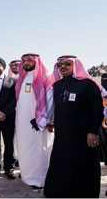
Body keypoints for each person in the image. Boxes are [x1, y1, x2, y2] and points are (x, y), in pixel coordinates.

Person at [44, 56, 103, 198]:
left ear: (75, 65)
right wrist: (51, 122)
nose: (63, 67)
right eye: (60, 65)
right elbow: (59, 108)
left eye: (67, 64)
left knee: (84, 165)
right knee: (62, 163)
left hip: (84, 135)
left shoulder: (88, 84)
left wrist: (93, 132)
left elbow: (97, 110)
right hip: (63, 135)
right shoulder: (57, 86)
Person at [14, 53, 54, 189]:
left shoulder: (45, 77)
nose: (26, 63)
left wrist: (46, 119)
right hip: (22, 122)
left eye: (29, 61)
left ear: (36, 62)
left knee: (39, 149)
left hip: (39, 122)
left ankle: (40, 179)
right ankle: (27, 176)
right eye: (24, 61)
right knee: (25, 148)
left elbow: (50, 100)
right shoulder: (23, 78)